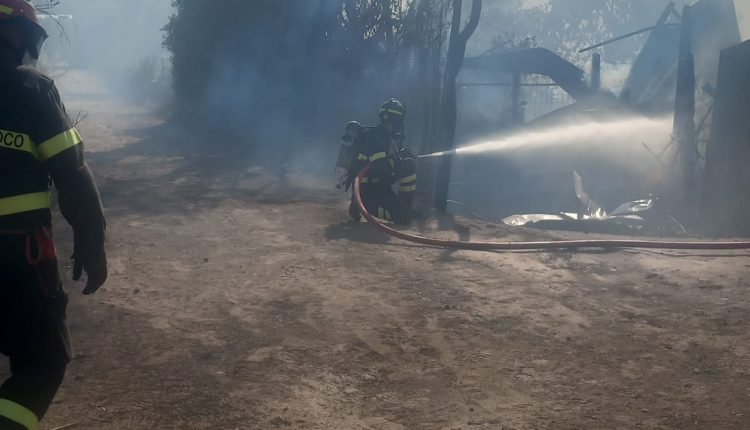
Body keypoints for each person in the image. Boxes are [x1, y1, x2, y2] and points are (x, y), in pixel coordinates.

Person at [0, 1, 107, 428]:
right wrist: (92, 240)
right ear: (17, 35)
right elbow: (72, 173)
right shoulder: (32, 89)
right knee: (43, 363)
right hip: (17, 256)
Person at [347, 98, 417, 225]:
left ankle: (404, 207)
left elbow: (381, 164)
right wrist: (399, 162)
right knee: (404, 218)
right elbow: (382, 170)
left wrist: (400, 157)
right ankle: (360, 205)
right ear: (397, 121)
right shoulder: (378, 137)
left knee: (407, 163)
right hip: (368, 191)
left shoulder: (378, 134)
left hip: (375, 186)